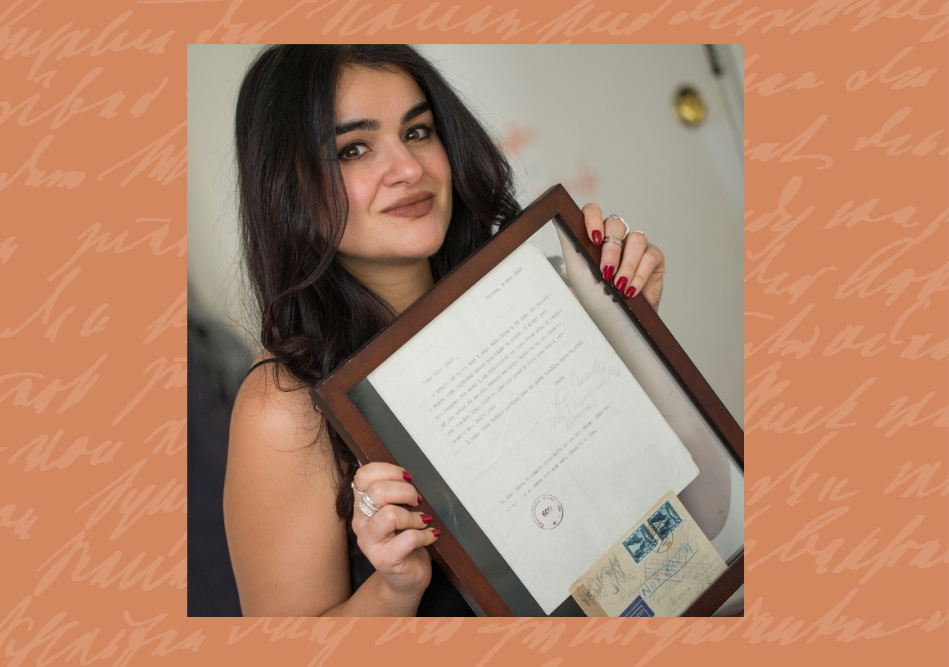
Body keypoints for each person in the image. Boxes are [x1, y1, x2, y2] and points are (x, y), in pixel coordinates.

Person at [223, 44, 666, 617]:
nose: (410, 170)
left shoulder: (534, 301)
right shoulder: (282, 409)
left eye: (417, 132)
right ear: (288, 186)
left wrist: (632, 343)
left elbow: (665, 524)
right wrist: (395, 590)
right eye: (353, 149)